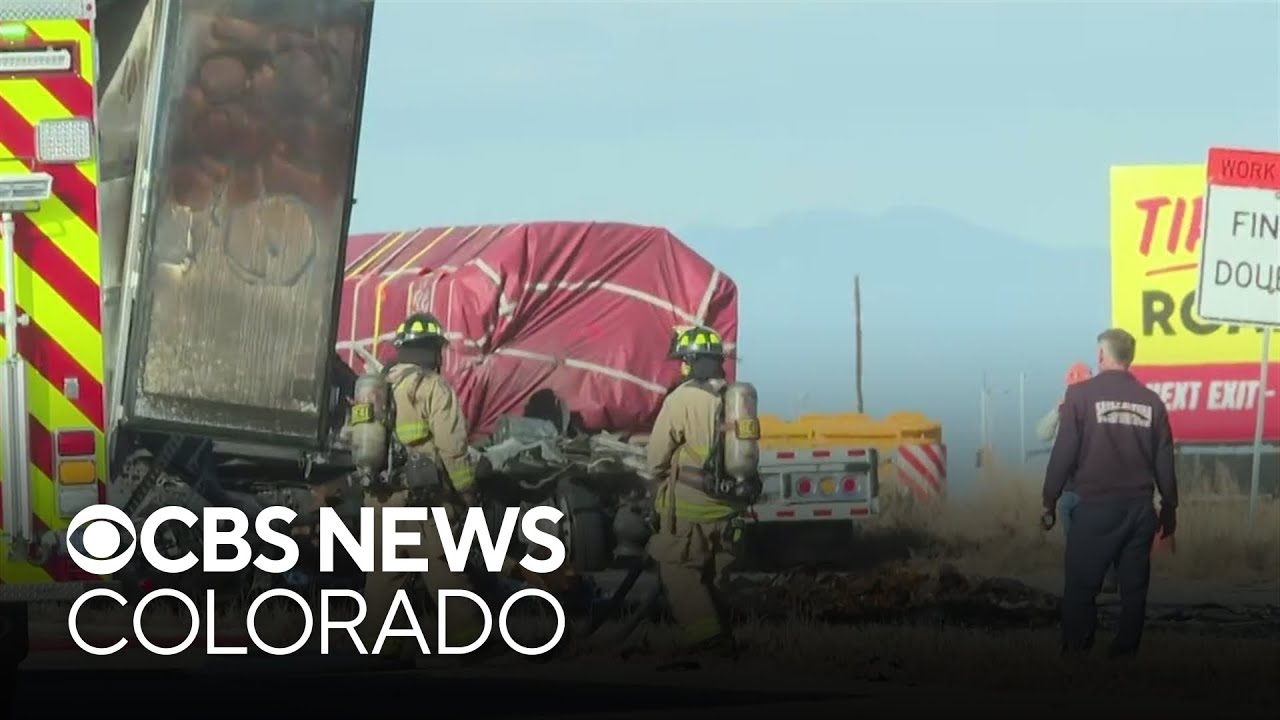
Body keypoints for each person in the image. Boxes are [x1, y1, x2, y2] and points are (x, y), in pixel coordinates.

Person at [354, 312, 484, 662]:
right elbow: (454, 450)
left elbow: (350, 436)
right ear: (432, 350)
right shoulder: (432, 387)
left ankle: (378, 647)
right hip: (419, 501)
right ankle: (468, 636)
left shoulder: (377, 386)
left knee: (383, 574)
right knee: (439, 565)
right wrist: (468, 497)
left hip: (379, 498)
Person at [1042, 328, 1178, 659]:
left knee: (1080, 584)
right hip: (1140, 509)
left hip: (1096, 507)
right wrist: (1170, 507)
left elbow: (1064, 452)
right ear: (1129, 357)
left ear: (1102, 356)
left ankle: (1077, 648)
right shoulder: (1153, 402)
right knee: (1134, 588)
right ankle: (1125, 650)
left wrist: (1049, 499)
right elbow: (1164, 458)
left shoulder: (1080, 396)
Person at [646, 325, 746, 664]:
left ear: (689, 362)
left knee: (680, 573)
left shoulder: (682, 399)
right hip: (731, 508)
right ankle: (726, 642)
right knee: (714, 579)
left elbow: (656, 457)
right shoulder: (735, 399)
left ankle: (708, 642)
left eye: (682, 362)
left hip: (691, 506)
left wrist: (656, 481)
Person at [1037, 362, 1118, 593]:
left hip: (1094, 488)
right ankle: (1090, 581)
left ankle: (1106, 580)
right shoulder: (1065, 411)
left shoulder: (1099, 410)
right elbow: (1042, 433)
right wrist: (1057, 411)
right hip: (1070, 489)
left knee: (1097, 536)